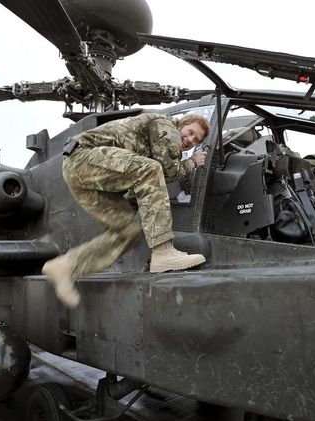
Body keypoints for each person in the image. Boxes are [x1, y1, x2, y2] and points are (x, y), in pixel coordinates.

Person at [42, 113, 210, 308]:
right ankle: (163, 251)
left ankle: (66, 266)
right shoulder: (166, 125)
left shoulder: (152, 146)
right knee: (151, 169)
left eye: (195, 140)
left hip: (85, 174)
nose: (189, 140)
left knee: (128, 232)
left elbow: (138, 191)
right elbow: (167, 170)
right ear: (181, 124)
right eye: (190, 132)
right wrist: (192, 162)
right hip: (84, 158)